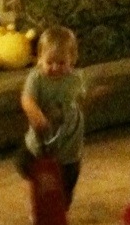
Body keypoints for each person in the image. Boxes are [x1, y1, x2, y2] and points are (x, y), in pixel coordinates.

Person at [16, 25, 85, 210]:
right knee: (26, 164)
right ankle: (37, 197)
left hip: (69, 140)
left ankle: (61, 207)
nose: (55, 67)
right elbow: (27, 99)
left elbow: (79, 100)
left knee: (67, 178)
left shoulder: (75, 79)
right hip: (41, 139)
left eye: (61, 63)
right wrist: (36, 115)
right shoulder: (36, 78)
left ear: (72, 60)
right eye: (50, 62)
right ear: (39, 58)